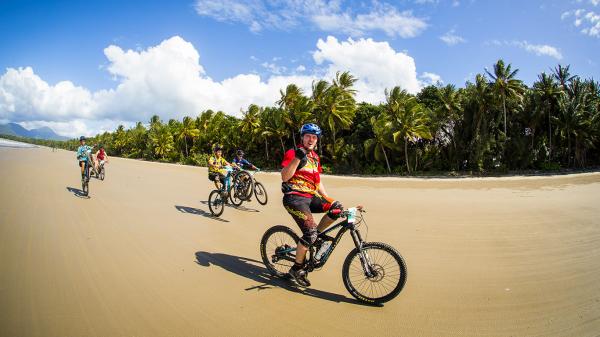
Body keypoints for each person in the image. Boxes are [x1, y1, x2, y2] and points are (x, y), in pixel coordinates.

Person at [280, 123, 344, 287]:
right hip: (295, 199)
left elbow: (318, 181)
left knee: (337, 209)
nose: (311, 139)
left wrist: (328, 199)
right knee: (309, 234)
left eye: (314, 137)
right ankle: (296, 269)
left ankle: (317, 237)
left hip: (310, 197)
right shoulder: (293, 152)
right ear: (302, 137)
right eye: (308, 136)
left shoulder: (315, 157)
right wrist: (296, 158)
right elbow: (285, 177)